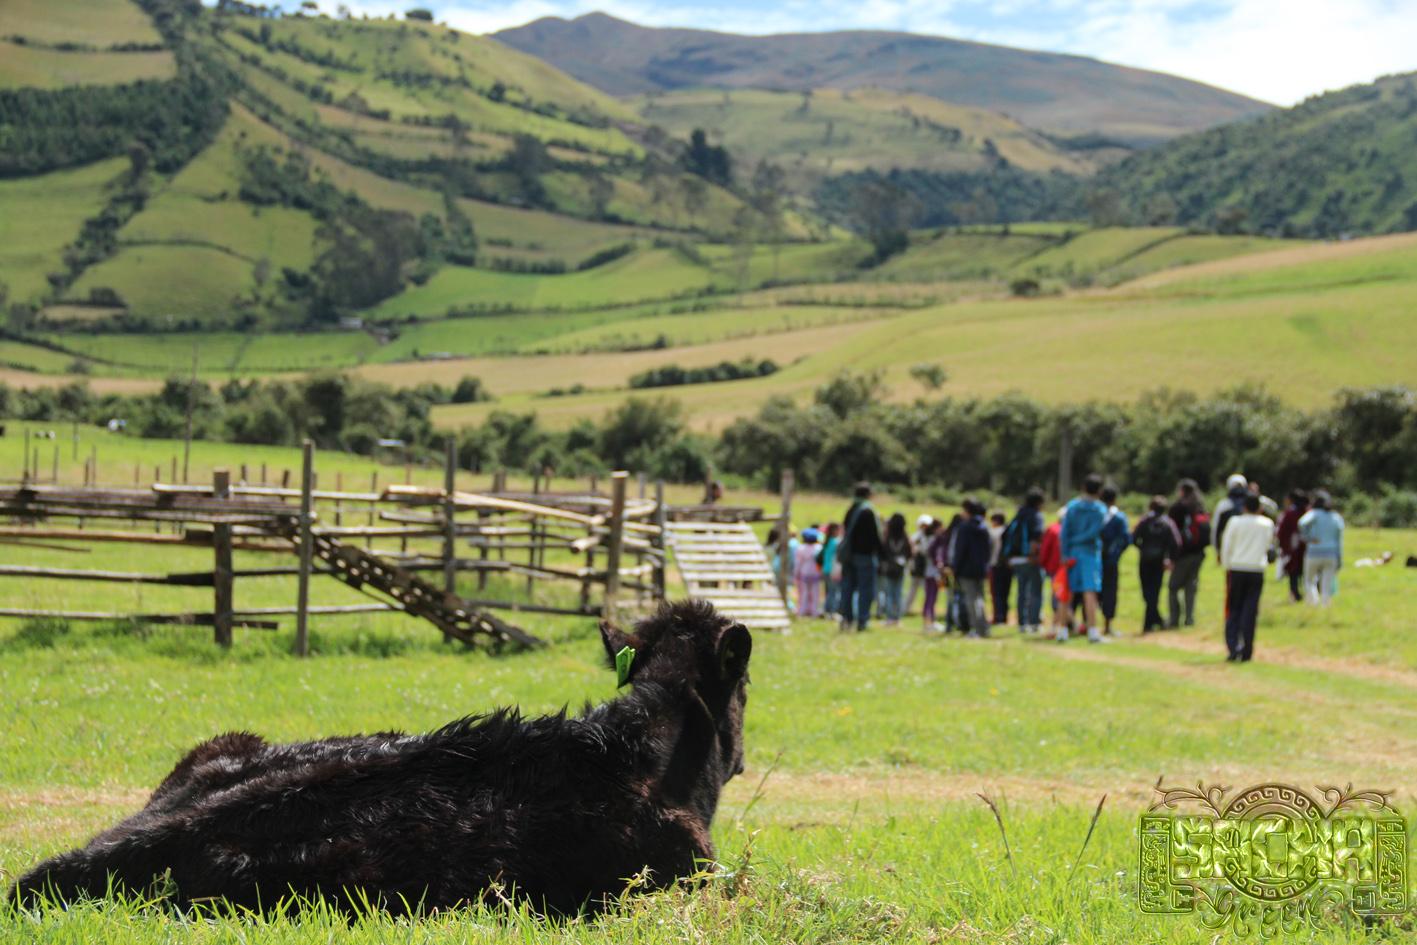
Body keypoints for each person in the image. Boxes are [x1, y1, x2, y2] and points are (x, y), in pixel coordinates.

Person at [1221, 494, 1274, 661]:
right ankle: (1247, 650)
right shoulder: (1267, 524)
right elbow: (1268, 546)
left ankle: (1232, 647)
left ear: (1244, 507)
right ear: (1260, 508)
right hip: (1256, 570)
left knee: (1234, 609)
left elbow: (1227, 545)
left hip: (1236, 568)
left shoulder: (1235, 522)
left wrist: (1227, 565)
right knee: (1250, 611)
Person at [1060, 474, 1108, 644]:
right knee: (1090, 591)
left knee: (1068, 592)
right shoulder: (1100, 509)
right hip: (1089, 552)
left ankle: (1062, 630)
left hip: (1072, 552)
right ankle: (1093, 631)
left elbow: (1064, 532)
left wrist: (1065, 552)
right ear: (1100, 491)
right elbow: (1095, 532)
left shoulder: (1072, 507)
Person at [1132, 496, 1181, 632]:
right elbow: (1176, 543)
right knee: (1154, 591)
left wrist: (1142, 549)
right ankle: (1157, 620)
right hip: (1159, 562)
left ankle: (1150, 623)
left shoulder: (1144, 521)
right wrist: (1171, 559)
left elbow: (1134, 538)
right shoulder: (1168, 523)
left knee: (1147, 592)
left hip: (1145, 561)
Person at [838, 482, 882, 632]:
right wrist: (882, 554)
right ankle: (862, 621)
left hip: (848, 555)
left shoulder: (850, 509)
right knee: (865, 590)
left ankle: (846, 619)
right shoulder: (868, 511)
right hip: (865, 555)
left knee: (847, 588)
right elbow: (875, 536)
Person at [1002, 488, 1047, 633]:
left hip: (1015, 559)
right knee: (1035, 591)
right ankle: (1034, 622)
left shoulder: (1018, 515)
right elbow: (1036, 537)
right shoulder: (1036, 516)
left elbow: (1005, 535)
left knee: (1022, 591)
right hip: (1030, 558)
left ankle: (1022, 623)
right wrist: (1034, 555)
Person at [1167, 479, 1210, 628]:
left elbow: (1171, 533)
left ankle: (1174, 619)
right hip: (1199, 554)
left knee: (1173, 587)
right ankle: (1189, 619)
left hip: (1182, 554)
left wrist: (1170, 556)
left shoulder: (1178, 508)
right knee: (1191, 586)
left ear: (1182, 491)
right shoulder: (1200, 507)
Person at [951, 499, 992, 638]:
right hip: (981, 569)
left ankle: (976, 629)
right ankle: (984, 628)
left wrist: (955, 568)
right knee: (979, 599)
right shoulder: (985, 527)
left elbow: (960, 550)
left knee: (971, 600)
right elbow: (988, 550)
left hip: (966, 570)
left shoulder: (964, 528)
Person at [1299, 490, 1345, 606]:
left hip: (1314, 552)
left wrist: (1308, 537)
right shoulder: (1336, 517)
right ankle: (1325, 605)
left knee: (1309, 581)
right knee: (1327, 583)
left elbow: (1301, 523)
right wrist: (1340, 557)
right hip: (1331, 554)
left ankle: (1313, 602)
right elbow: (1340, 539)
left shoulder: (1314, 514)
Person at [1098, 485, 1130, 636]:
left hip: (1094, 559)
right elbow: (1125, 539)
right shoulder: (1119, 517)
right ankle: (1107, 625)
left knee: (1092, 591)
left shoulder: (1096, 514)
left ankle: (1087, 623)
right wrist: (1116, 554)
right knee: (1110, 592)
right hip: (1111, 561)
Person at [1038, 507, 1070, 641]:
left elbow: (1045, 550)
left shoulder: (1052, 529)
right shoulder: (1072, 531)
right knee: (1065, 598)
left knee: (1058, 598)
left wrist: (1043, 564)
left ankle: (1056, 627)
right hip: (1069, 568)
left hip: (1055, 571)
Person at [1275, 489, 1310, 602]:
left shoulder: (1289, 513)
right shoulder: (1308, 512)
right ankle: (1310, 594)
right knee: (1307, 572)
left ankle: (1295, 594)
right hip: (1307, 547)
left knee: (1293, 572)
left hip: (1292, 548)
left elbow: (1281, 531)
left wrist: (1282, 545)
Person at [879, 512, 911, 625]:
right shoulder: (905, 537)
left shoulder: (887, 536)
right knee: (898, 593)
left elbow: (882, 552)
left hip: (889, 568)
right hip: (901, 569)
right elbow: (909, 553)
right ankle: (896, 617)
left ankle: (889, 617)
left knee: (890, 593)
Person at [1212, 473, 1249, 562]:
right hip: (1248, 546)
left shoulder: (1223, 505)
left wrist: (1217, 550)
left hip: (1231, 546)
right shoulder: (1254, 504)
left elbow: (1216, 530)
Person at [904, 515, 933, 616]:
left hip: (926, 568)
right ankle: (905, 608)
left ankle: (927, 609)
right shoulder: (916, 536)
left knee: (926, 590)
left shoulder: (930, 537)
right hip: (916, 568)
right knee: (912, 589)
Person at [794, 528, 824, 618]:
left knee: (804, 593)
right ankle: (814, 611)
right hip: (815, 573)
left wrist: (796, 573)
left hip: (804, 572)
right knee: (815, 593)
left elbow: (798, 563)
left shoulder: (801, 548)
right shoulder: (819, 548)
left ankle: (802, 610)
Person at [987, 512, 1010, 625]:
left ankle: (998, 616)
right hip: (1008, 565)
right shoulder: (1008, 531)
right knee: (1005, 593)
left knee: (996, 593)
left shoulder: (992, 532)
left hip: (995, 564)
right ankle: (1005, 616)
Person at [921, 518, 944, 632]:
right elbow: (933, 555)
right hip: (933, 572)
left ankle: (928, 622)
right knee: (932, 597)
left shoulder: (926, 537)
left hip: (927, 571)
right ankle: (930, 622)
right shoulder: (934, 540)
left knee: (929, 597)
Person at [820, 522, 842, 614]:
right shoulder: (835, 542)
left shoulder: (826, 541)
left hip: (825, 569)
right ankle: (831, 610)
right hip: (833, 570)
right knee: (834, 591)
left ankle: (826, 609)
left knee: (829, 591)